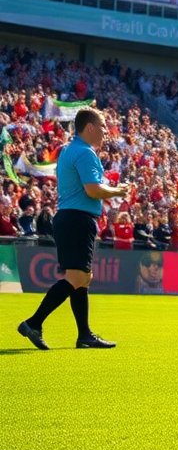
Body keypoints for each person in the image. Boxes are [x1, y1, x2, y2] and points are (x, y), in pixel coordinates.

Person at [17, 108, 125, 350]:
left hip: (68, 218)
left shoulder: (69, 150)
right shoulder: (86, 153)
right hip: (78, 219)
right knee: (77, 277)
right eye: (103, 127)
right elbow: (93, 190)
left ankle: (84, 334)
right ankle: (33, 323)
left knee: (83, 278)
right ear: (89, 128)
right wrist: (118, 191)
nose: (106, 132)